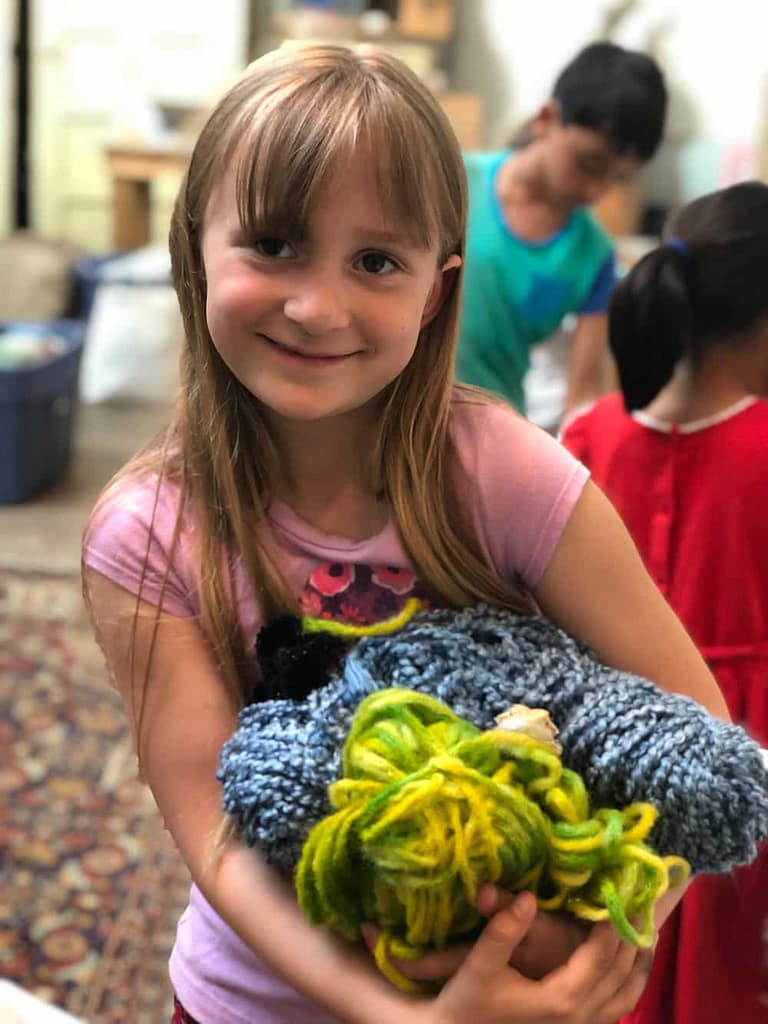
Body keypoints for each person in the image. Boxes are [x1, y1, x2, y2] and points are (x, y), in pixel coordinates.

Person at [82, 43, 727, 1024]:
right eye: (275, 243)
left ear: (436, 290)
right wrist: (407, 1019)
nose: (317, 307)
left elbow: (696, 732)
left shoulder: (510, 473)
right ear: (192, 246)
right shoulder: (148, 532)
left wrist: (602, 942)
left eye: (376, 261)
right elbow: (218, 837)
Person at [561, 181, 768, 1024]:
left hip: (606, 740)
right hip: (747, 744)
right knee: (724, 967)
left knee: (607, 947)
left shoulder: (588, 435)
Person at [455, 42, 667, 427]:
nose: (596, 191)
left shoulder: (593, 256)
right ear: (547, 118)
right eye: (589, 164)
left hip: (493, 434)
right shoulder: (454, 182)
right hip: (393, 418)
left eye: (618, 179)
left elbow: (582, 396)